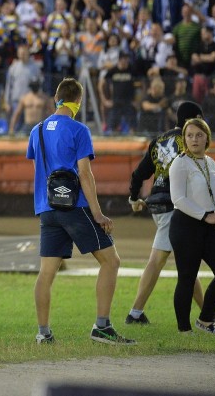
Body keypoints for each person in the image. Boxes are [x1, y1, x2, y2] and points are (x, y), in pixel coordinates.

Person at [26, 78, 135, 345]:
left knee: (47, 272)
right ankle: (102, 327)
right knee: (111, 261)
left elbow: (39, 169)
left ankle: (43, 332)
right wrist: (97, 213)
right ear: (79, 101)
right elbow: (85, 174)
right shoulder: (79, 129)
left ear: (56, 97)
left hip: (46, 209)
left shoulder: (36, 130)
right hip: (75, 207)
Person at [126, 102, 215, 326]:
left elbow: (139, 173)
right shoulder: (190, 141)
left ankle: (207, 311)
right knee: (158, 260)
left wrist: (133, 197)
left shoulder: (158, 141)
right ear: (195, 118)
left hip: (157, 202)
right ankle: (135, 313)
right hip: (174, 204)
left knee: (186, 258)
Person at [168, 118, 215, 334]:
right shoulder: (180, 162)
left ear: (207, 137)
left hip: (210, 225)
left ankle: (206, 320)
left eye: (199, 135)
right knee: (187, 278)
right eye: (189, 135)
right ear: (184, 139)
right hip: (185, 226)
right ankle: (184, 330)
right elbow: (178, 199)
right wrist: (204, 216)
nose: (194, 139)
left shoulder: (211, 162)